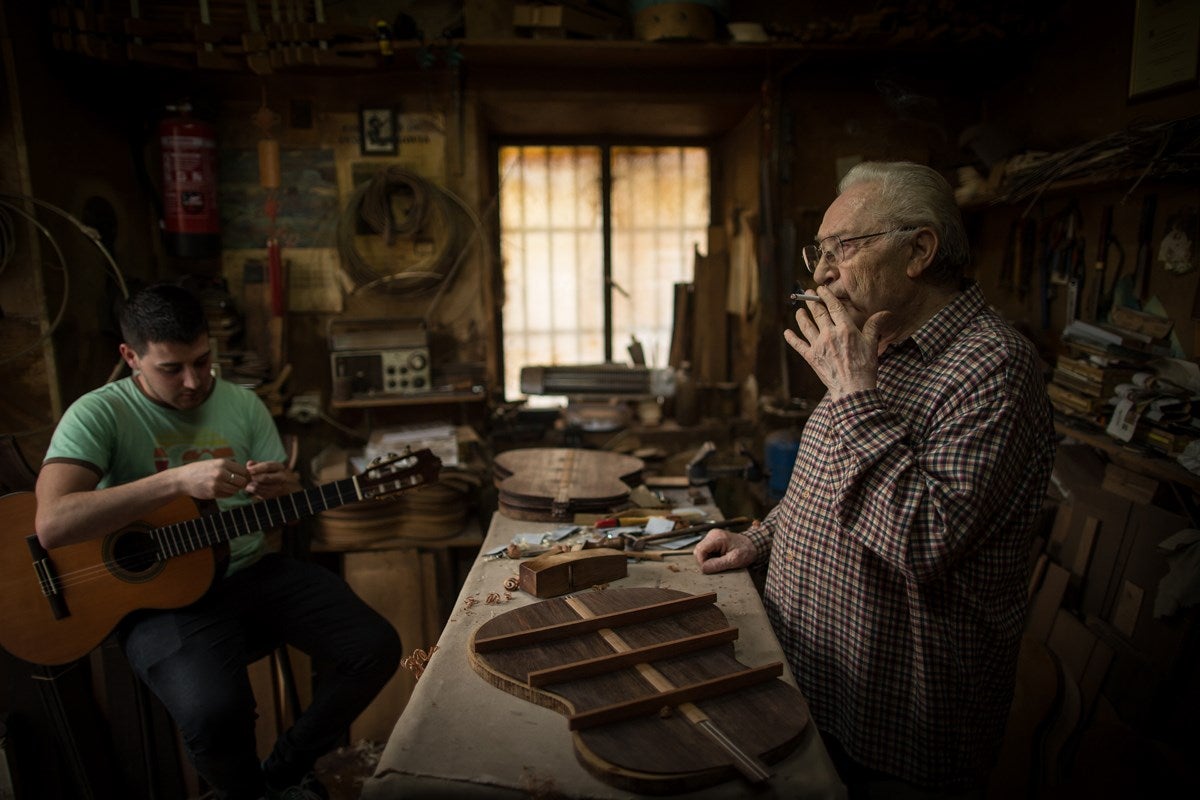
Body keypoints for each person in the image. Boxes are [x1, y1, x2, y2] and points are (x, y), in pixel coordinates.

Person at [695, 161, 1055, 796]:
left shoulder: (995, 367)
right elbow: (824, 485)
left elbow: (922, 543)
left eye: (843, 247)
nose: (822, 274)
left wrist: (854, 392)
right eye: (819, 252)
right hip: (814, 684)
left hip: (896, 723)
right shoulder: (872, 343)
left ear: (919, 251)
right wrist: (761, 538)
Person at [35, 283, 402, 800]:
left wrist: (283, 490)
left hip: (247, 569)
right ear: (131, 357)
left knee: (374, 647)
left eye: (203, 361)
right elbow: (52, 523)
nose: (193, 381)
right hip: (158, 599)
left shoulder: (243, 405)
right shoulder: (98, 413)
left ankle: (280, 773)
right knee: (214, 712)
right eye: (171, 368)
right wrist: (175, 481)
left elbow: (276, 503)